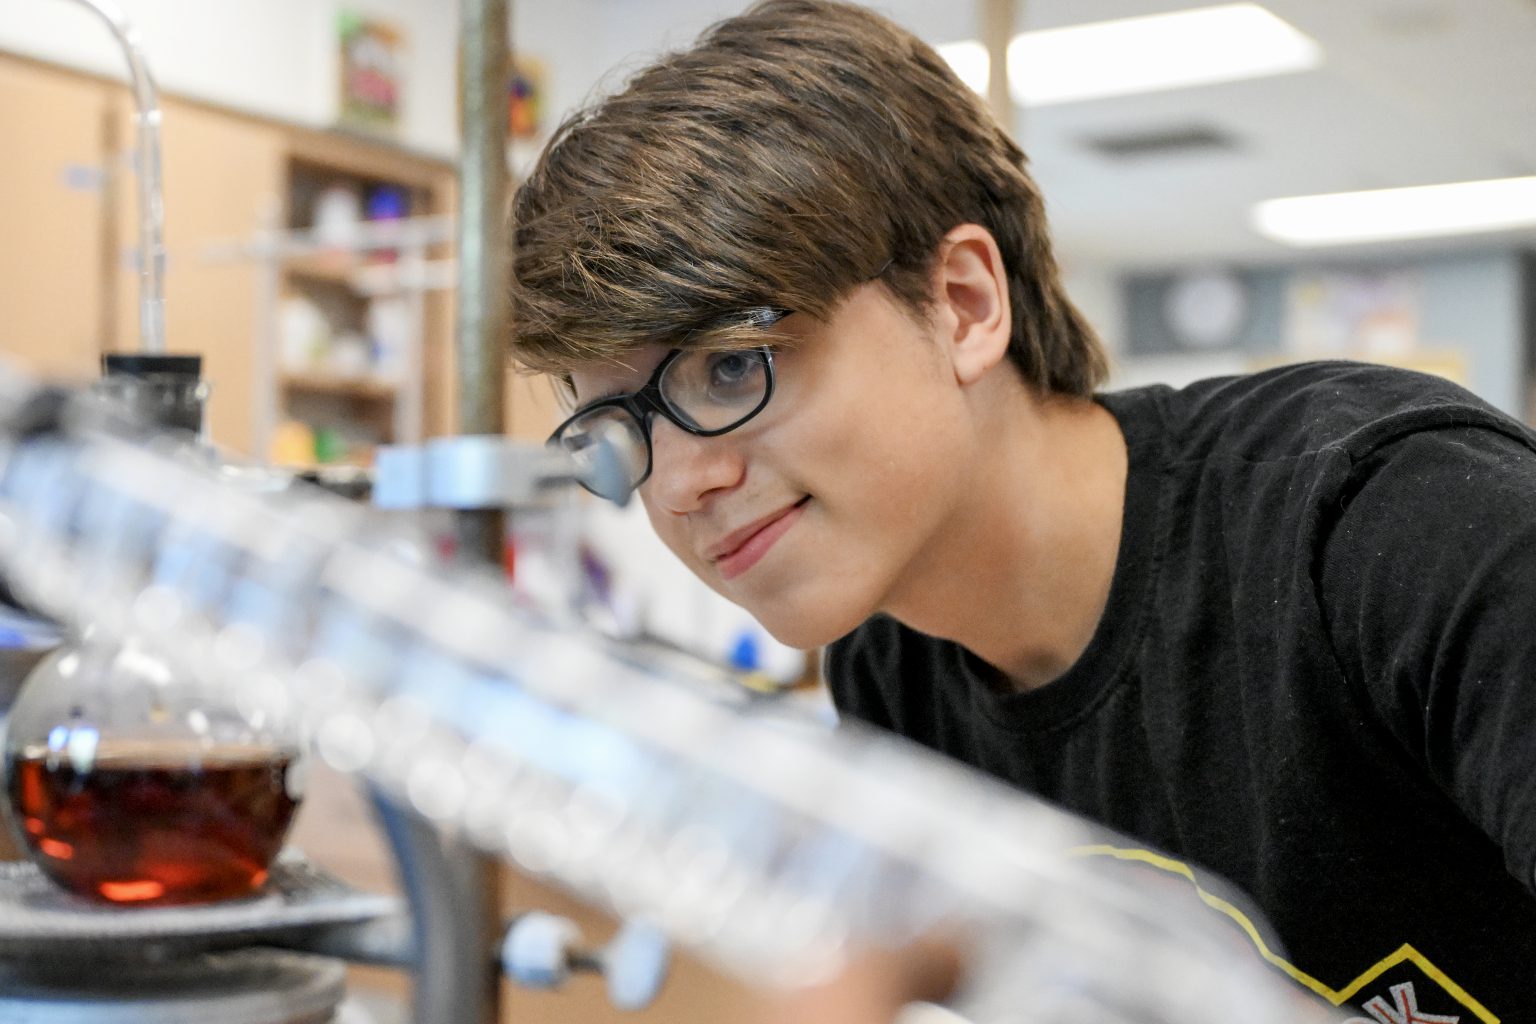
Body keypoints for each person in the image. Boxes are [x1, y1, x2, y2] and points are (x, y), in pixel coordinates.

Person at [508, 1, 1536, 1020]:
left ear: (962, 303)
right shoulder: (894, 661)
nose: (680, 484)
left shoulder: (1395, 529)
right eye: (621, 429)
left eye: (732, 367)